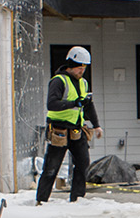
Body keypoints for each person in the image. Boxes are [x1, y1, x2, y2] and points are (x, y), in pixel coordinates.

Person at [37, 47, 99, 204]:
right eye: (79, 68)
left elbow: (88, 105)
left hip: (76, 129)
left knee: (83, 163)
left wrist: (96, 125)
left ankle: (77, 198)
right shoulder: (59, 81)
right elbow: (51, 104)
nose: (82, 71)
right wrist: (73, 103)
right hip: (59, 129)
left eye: (84, 68)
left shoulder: (83, 83)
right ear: (71, 65)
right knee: (52, 167)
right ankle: (42, 200)